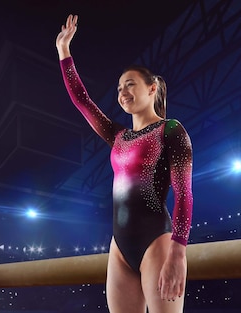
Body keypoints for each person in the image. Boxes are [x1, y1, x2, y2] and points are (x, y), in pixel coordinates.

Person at [55, 14, 193, 313]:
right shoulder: (118, 136)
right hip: (119, 248)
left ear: (152, 89)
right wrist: (63, 51)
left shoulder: (170, 130)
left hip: (156, 241)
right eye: (119, 88)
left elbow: (184, 193)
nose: (122, 93)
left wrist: (178, 251)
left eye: (129, 85)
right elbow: (83, 101)